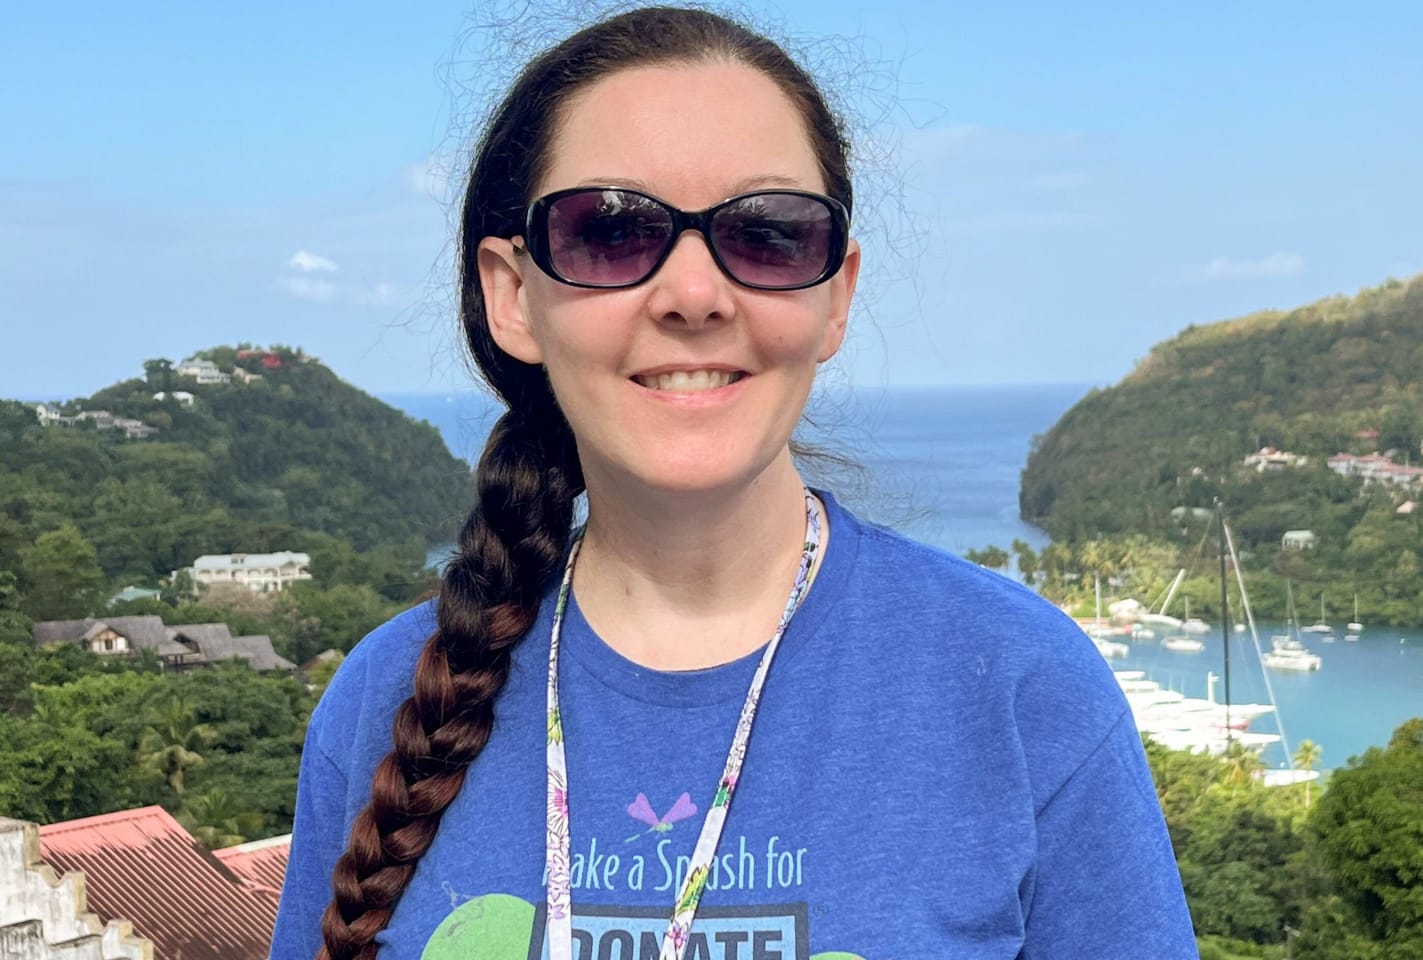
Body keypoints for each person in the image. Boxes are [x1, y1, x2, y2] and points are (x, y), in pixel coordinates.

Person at [270, 7, 1198, 959]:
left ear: (835, 294)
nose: (693, 294)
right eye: (610, 233)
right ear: (514, 295)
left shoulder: (1015, 686)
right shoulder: (387, 697)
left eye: (767, 235)